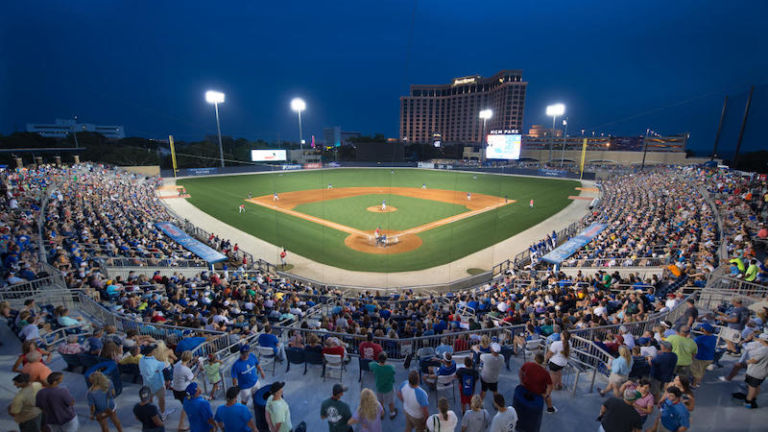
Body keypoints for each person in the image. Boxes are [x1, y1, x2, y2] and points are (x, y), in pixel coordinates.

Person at [736, 332, 768, 409]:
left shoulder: (763, 350)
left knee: (752, 387)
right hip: (763, 372)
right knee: (757, 386)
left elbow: (754, 360)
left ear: (762, 340)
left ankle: (748, 401)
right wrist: (753, 338)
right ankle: (753, 397)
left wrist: (746, 362)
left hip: (755, 372)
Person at [140, 345, 170, 416]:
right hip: (158, 384)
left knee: (149, 399)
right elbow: (166, 366)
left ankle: (150, 413)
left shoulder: (141, 359)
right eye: (154, 350)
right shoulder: (156, 363)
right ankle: (163, 413)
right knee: (161, 399)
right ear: (151, 352)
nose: (155, 351)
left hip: (146, 383)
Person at [172, 351, 198, 431]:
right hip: (183, 390)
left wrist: (193, 361)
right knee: (186, 407)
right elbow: (192, 378)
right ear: (189, 358)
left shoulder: (177, 364)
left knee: (188, 406)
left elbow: (185, 367)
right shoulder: (186, 370)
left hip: (176, 389)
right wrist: (199, 368)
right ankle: (180, 426)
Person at [368, 352, 398, 419]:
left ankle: (381, 414)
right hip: (388, 388)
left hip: (379, 387)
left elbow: (370, 364)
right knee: (390, 402)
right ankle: (392, 413)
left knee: (380, 401)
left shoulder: (374, 366)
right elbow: (393, 370)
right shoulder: (390, 367)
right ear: (386, 359)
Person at [691, 323, 717, 387]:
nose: (700, 328)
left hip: (701, 358)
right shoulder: (713, 337)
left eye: (702, 328)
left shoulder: (700, 338)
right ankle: (698, 382)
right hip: (710, 358)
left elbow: (692, 345)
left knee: (697, 373)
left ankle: (694, 385)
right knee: (702, 371)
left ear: (704, 330)